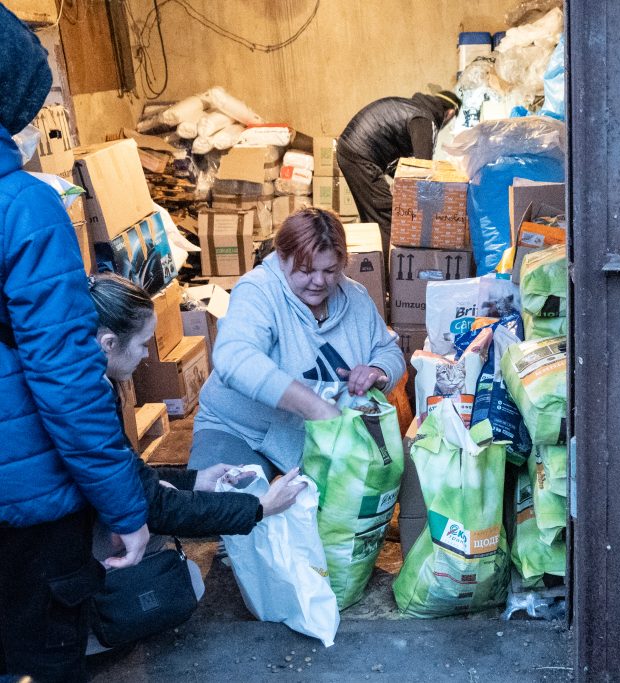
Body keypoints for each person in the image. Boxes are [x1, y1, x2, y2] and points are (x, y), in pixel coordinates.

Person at [0, 8, 149, 682]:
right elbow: (66, 377)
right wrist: (125, 506)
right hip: (26, 505)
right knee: (41, 657)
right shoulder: (23, 207)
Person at [85, 273, 305, 652]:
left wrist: (195, 480)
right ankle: (86, 624)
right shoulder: (85, 405)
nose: (145, 356)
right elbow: (152, 504)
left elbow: (123, 475)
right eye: (141, 344)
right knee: (177, 576)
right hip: (44, 564)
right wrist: (259, 508)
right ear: (108, 344)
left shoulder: (76, 382)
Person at [189, 207, 406, 478]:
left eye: (330, 270)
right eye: (305, 270)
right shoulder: (258, 290)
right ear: (282, 257)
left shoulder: (356, 298)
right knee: (225, 504)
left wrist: (378, 370)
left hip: (315, 442)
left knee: (354, 507)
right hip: (240, 431)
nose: (318, 281)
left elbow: (388, 350)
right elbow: (234, 358)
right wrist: (317, 408)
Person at [335, 90, 461, 245]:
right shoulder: (425, 120)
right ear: (449, 113)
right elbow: (423, 170)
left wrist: (403, 187)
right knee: (387, 216)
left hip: (350, 150)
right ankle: (388, 267)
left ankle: (372, 261)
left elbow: (399, 160)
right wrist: (435, 214)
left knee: (373, 216)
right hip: (360, 154)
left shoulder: (414, 109)